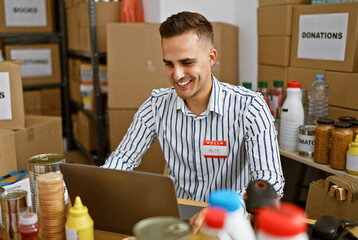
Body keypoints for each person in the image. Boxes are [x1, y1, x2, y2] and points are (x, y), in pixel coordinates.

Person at [102, 11, 284, 232]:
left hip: (230, 225)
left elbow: (270, 182)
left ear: (211, 58)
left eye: (187, 62)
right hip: (177, 224)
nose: (177, 75)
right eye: (169, 64)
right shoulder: (156, 105)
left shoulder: (250, 107)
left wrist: (220, 210)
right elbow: (122, 160)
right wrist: (98, 186)